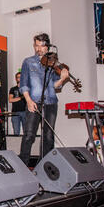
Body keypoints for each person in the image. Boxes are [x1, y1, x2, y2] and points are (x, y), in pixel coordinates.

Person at [19, 33, 69, 166]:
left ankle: (44, 167)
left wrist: (63, 78)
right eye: (36, 45)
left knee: (48, 137)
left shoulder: (53, 63)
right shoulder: (28, 62)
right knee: (29, 135)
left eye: (41, 46)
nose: (38, 48)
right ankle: (23, 166)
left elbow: (54, 85)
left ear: (47, 47)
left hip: (51, 102)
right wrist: (28, 101)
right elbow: (23, 84)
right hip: (34, 101)